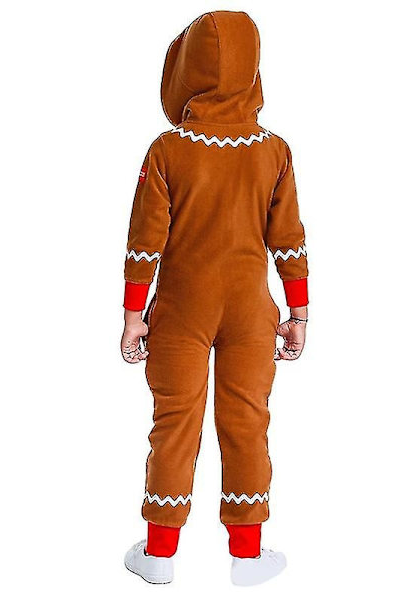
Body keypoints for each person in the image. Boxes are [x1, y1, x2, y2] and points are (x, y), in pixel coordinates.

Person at [121, 11, 308, 586]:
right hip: (252, 312)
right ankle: (248, 558)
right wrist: (298, 313)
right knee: (247, 421)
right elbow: (289, 239)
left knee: (174, 422)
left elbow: (145, 241)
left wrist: (133, 316)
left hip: (180, 311)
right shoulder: (273, 151)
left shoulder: (168, 149)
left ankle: (158, 554)